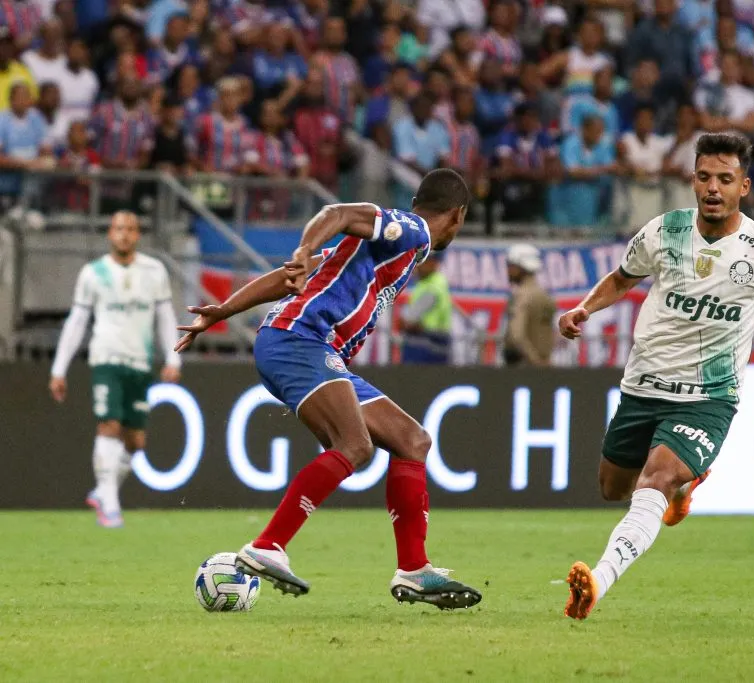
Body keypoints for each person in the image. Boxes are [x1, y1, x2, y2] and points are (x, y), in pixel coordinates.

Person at [557, 133, 754, 620]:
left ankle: (597, 583)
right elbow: (623, 278)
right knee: (612, 487)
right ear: (692, 180)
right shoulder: (662, 232)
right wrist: (584, 307)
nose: (714, 188)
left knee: (656, 477)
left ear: (744, 186)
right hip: (642, 387)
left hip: (708, 398)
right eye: (705, 177)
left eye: (725, 180)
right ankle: (685, 489)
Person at [174, 169, 482, 609]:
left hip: (313, 348)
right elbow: (336, 212)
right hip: (299, 340)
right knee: (354, 444)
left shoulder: (383, 250)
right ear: (457, 216)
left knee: (412, 440)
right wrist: (303, 247)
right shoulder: (410, 230)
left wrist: (223, 310)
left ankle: (414, 569)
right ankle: (267, 545)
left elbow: (289, 279)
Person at [49, 211, 182, 528]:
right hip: (106, 358)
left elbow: (165, 317)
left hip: (140, 361)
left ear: (138, 235)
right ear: (110, 234)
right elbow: (77, 321)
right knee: (109, 423)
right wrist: (59, 369)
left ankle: (103, 490)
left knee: (136, 441)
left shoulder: (154, 271)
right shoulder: (93, 273)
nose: (124, 234)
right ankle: (109, 503)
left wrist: (174, 357)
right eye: (119, 228)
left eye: (131, 229)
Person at [504, 244, 556, 367]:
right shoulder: (546, 296)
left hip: (524, 366)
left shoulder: (521, 296)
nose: (508, 271)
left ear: (521, 267)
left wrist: (535, 360)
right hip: (545, 364)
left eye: (511, 266)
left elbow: (516, 335)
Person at [399, 254, 453, 365]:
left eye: (422, 261)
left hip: (428, 343)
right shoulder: (429, 282)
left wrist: (406, 322)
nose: (417, 266)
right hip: (432, 341)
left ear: (433, 263)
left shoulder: (432, 287)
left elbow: (407, 319)